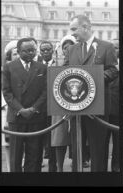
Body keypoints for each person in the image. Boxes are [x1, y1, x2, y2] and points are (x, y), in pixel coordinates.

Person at [64, 15, 118, 172]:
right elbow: (64, 73)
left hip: (98, 107)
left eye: (74, 29)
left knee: (98, 150)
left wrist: (95, 78)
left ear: (86, 27)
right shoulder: (70, 49)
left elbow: (113, 70)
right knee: (77, 150)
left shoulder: (106, 46)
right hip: (75, 108)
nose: (72, 33)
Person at [2, 37, 47, 172]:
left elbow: (45, 92)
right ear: (19, 51)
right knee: (16, 154)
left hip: (36, 117)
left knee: (35, 154)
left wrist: (33, 109)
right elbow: (7, 92)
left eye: (33, 50)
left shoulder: (42, 68)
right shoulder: (9, 67)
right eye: (27, 51)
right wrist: (21, 110)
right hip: (17, 117)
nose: (31, 53)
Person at [51, 35, 76, 172]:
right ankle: (60, 168)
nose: (68, 50)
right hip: (59, 105)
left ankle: (76, 165)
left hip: (78, 104)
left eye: (71, 46)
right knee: (59, 138)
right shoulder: (56, 63)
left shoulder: (82, 61)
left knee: (77, 138)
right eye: (65, 47)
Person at [38, 40, 57, 172]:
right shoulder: (36, 65)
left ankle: (53, 167)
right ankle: (37, 165)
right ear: (40, 52)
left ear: (52, 50)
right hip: (39, 108)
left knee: (53, 138)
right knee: (38, 138)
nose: (45, 52)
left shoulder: (59, 65)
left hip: (55, 108)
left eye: (48, 49)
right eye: (43, 50)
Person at [106, 38, 120, 172]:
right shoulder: (103, 66)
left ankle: (116, 168)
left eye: (116, 48)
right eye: (112, 48)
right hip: (103, 112)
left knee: (118, 144)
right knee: (101, 144)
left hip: (118, 113)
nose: (113, 51)